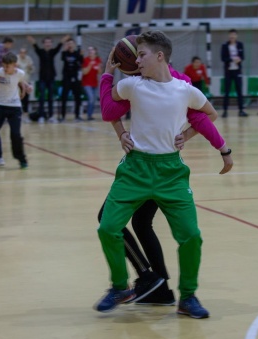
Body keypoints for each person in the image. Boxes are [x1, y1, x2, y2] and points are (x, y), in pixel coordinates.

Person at [95, 31, 225, 319]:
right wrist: (107, 75)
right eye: (136, 55)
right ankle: (120, 287)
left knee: (191, 236)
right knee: (107, 227)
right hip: (135, 169)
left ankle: (187, 297)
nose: (137, 61)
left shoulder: (184, 89)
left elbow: (210, 114)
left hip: (171, 172)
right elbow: (108, 110)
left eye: (141, 55)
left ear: (160, 56)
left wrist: (186, 136)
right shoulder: (132, 85)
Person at [27, 34, 70, 123]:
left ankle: (51, 116)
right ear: (43, 44)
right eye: (46, 42)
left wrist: (64, 39)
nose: (48, 44)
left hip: (51, 78)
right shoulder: (41, 52)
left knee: (51, 98)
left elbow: (59, 46)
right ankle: (41, 116)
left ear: (51, 44)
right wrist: (32, 40)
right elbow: (35, 46)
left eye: (49, 42)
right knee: (42, 98)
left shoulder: (53, 52)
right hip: (42, 78)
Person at [221, 29, 247, 118]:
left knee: (239, 91)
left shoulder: (240, 45)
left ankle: (241, 110)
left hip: (237, 71)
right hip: (228, 71)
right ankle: (225, 111)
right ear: (229, 35)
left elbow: (243, 57)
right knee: (227, 91)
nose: (232, 36)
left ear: (236, 36)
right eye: (231, 34)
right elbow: (223, 58)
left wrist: (239, 59)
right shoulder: (225, 45)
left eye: (234, 34)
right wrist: (232, 59)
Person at [59, 38, 83, 122]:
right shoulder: (65, 53)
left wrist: (81, 55)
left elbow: (81, 62)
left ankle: (77, 116)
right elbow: (62, 58)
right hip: (66, 78)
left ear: (74, 44)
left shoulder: (77, 53)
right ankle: (63, 116)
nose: (70, 45)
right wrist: (64, 49)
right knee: (64, 97)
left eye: (71, 43)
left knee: (77, 97)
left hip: (75, 78)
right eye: (69, 43)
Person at [81, 46, 101, 121]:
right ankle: (89, 115)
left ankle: (90, 115)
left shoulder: (98, 60)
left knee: (94, 100)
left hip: (95, 83)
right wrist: (90, 64)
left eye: (92, 50)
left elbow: (99, 72)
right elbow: (84, 72)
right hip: (86, 84)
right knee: (91, 98)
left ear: (95, 51)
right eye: (89, 50)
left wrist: (99, 67)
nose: (90, 51)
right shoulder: (85, 60)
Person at [16, 47, 34, 116]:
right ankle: (18, 114)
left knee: (26, 99)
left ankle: (26, 114)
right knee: (18, 98)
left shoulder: (29, 59)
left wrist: (30, 67)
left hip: (26, 81)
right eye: (21, 52)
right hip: (18, 82)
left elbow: (32, 70)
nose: (22, 54)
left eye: (24, 52)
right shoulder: (16, 58)